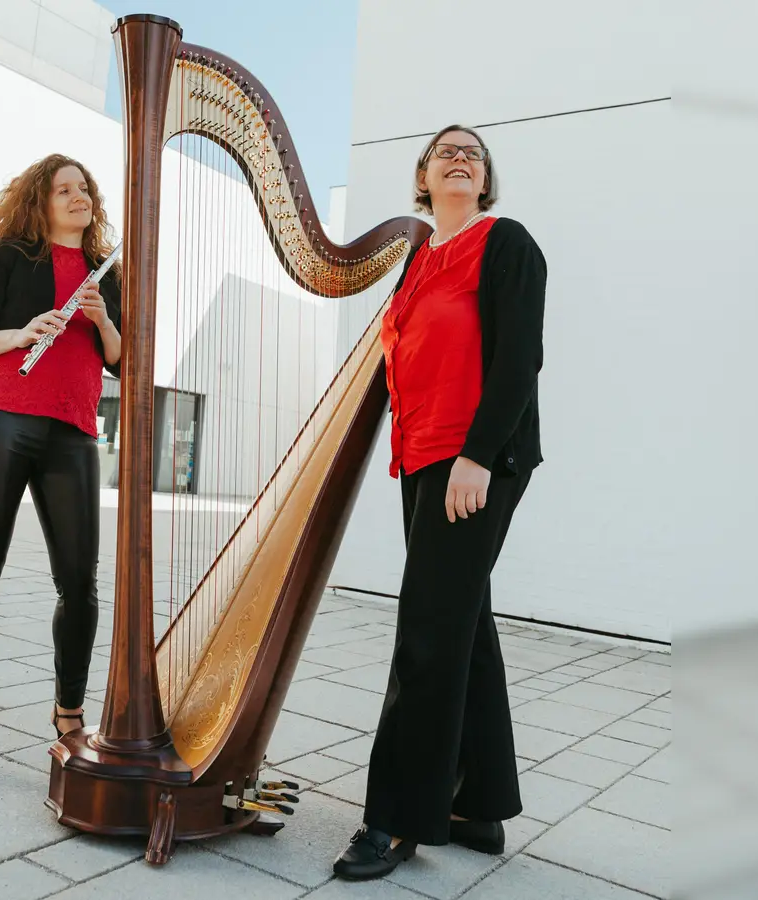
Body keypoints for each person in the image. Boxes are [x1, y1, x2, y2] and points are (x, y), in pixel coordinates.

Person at [333, 125, 546, 880]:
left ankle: (394, 817)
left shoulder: (505, 243)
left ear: (484, 180)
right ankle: (478, 806)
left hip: (474, 463)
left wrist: (478, 458)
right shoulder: (419, 262)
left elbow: (521, 358)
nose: (460, 158)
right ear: (422, 176)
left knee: (426, 628)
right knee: (462, 620)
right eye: (445, 151)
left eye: (473, 154)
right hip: (423, 460)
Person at [0, 154, 123, 793]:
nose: (77, 196)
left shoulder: (106, 274)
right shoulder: (14, 256)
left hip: (72, 432)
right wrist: (22, 332)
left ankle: (70, 714)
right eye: (62, 189)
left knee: (81, 583)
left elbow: (121, 361)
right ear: (40, 203)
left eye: (83, 188)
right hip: (0, 420)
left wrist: (99, 317)